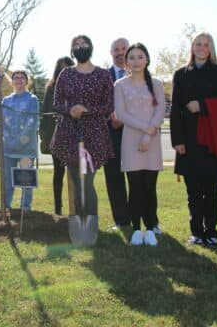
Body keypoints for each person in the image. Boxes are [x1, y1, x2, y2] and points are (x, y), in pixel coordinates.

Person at [170, 32, 217, 246]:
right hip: (189, 141)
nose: (201, 48)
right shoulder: (181, 74)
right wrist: (177, 140)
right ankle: (196, 232)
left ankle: (212, 232)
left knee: (212, 191)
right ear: (192, 47)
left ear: (211, 48)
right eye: (197, 44)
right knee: (193, 192)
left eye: (205, 45)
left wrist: (203, 106)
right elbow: (175, 111)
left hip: (213, 140)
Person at [51, 35, 114, 224]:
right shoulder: (66, 74)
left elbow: (109, 105)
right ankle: (79, 222)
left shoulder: (103, 74)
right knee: (76, 182)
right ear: (72, 50)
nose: (80, 47)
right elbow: (56, 104)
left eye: (84, 44)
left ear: (91, 47)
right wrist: (70, 110)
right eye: (76, 45)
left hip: (94, 135)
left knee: (87, 182)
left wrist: (86, 110)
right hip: (69, 134)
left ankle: (91, 223)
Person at [114, 43, 165, 246]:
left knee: (150, 186)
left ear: (147, 59)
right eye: (132, 57)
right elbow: (121, 114)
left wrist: (148, 134)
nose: (136, 61)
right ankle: (136, 229)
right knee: (134, 186)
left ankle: (151, 227)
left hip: (152, 141)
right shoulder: (120, 85)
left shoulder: (157, 84)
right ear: (127, 61)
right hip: (130, 141)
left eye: (140, 56)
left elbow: (160, 111)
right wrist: (146, 129)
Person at [40, 56, 74, 215]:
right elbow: (45, 113)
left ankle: (76, 207)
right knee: (58, 172)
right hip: (57, 135)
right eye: (60, 67)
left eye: (66, 66)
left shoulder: (78, 84)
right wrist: (44, 135)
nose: (63, 70)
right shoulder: (50, 87)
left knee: (75, 173)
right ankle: (58, 207)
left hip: (75, 134)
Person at [2, 70, 40, 210]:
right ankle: (6, 206)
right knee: (7, 181)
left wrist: (20, 141)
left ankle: (25, 208)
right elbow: (3, 123)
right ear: (12, 82)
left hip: (26, 149)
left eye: (22, 78)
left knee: (26, 179)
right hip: (8, 149)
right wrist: (10, 141)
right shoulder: (6, 101)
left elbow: (32, 122)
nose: (19, 80)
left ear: (26, 81)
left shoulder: (32, 99)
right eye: (16, 78)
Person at [105, 37, 131, 229]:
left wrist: (125, 117)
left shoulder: (141, 74)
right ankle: (121, 220)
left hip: (135, 133)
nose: (120, 52)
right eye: (116, 49)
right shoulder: (102, 76)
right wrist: (111, 117)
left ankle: (140, 218)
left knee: (137, 179)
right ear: (111, 52)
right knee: (114, 179)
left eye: (124, 48)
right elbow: (97, 102)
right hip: (110, 135)